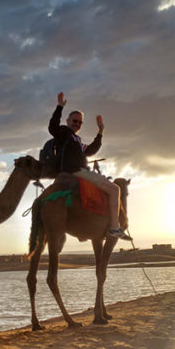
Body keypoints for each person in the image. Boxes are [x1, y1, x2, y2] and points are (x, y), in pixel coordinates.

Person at [48, 92, 131, 240]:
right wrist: (59, 106)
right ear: (68, 120)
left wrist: (100, 131)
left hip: (78, 171)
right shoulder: (64, 133)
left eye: (80, 122)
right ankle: (114, 227)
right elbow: (53, 127)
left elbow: (91, 150)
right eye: (75, 121)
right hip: (76, 172)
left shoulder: (77, 140)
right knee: (115, 189)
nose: (77, 124)